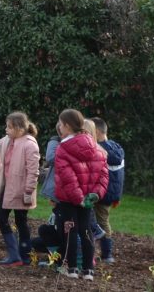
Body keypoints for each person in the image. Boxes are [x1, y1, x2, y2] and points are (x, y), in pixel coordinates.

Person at [54, 109, 108, 281]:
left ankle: (72, 268)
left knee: (70, 230)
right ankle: (88, 269)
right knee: (86, 231)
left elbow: (67, 177)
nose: (60, 127)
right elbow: (103, 175)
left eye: (61, 124)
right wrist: (95, 195)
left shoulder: (63, 148)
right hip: (87, 199)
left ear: (68, 126)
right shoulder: (96, 147)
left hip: (69, 199)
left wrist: (78, 198)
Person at [0, 111, 40, 266]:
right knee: (1, 217)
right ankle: (15, 253)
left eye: (9, 127)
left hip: (21, 190)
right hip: (7, 188)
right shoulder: (7, 141)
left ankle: (24, 255)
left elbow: (33, 171)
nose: (6, 130)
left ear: (20, 129)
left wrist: (28, 190)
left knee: (21, 220)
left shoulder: (29, 144)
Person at [91, 117, 124, 264]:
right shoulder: (117, 148)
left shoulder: (98, 149)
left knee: (98, 222)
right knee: (103, 220)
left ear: (96, 131)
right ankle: (106, 254)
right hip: (111, 193)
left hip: (99, 192)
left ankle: (105, 254)